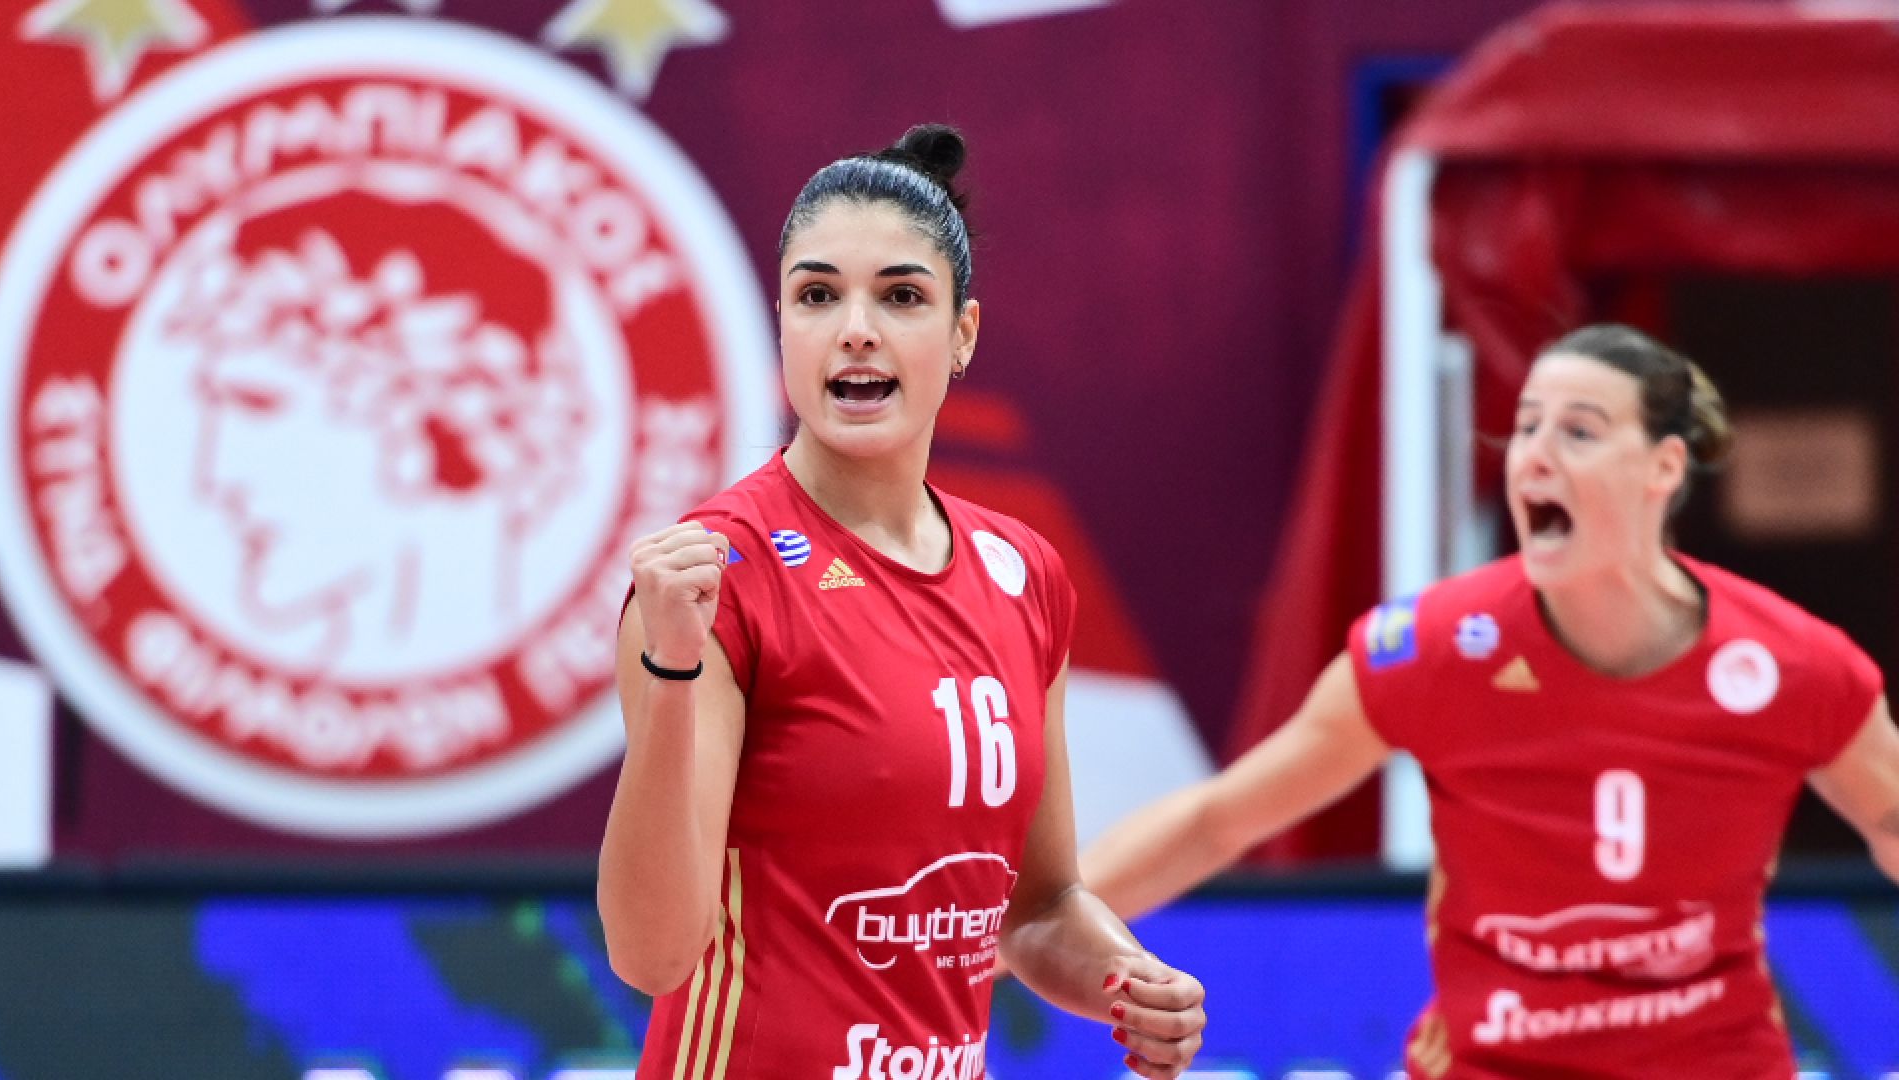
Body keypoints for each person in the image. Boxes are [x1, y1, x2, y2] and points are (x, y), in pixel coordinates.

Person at [1082, 324, 1899, 1078]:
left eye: (1579, 431)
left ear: (1665, 468)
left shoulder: (1793, 665)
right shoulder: (1439, 648)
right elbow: (1221, 819)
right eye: (1527, 426)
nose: (1535, 455)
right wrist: (1030, 926)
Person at [600, 124, 1206, 1080]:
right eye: (817, 295)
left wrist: (1130, 979)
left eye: (901, 296)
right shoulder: (717, 578)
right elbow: (651, 957)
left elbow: (1037, 909)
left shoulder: (1025, 575)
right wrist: (670, 671)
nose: (856, 327)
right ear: (781, 324)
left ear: (963, 333)